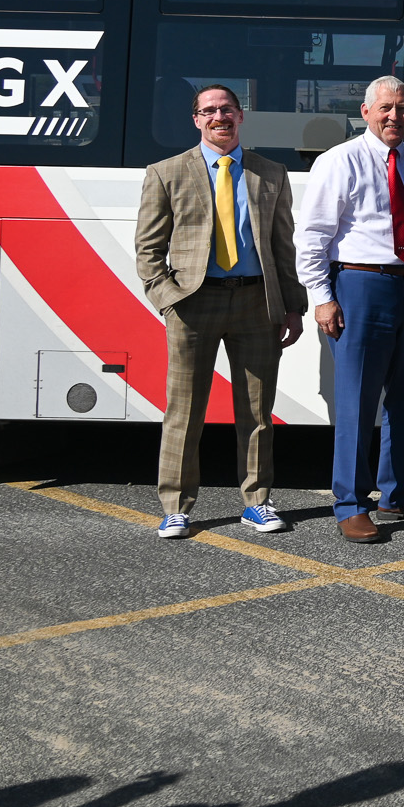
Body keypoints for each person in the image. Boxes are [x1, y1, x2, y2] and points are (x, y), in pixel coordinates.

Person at [135, 84, 306, 539]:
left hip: (256, 302)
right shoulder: (166, 172)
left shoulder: (271, 173)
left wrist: (293, 306)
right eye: (209, 111)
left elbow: (283, 247)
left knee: (257, 410)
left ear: (240, 115)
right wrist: (168, 300)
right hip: (194, 302)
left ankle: (257, 502)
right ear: (196, 120)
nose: (219, 117)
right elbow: (148, 250)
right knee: (184, 409)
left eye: (226, 109)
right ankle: (176, 507)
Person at [295, 76, 404, 544]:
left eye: (403, 109)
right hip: (360, 285)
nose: (394, 116)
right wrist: (322, 297)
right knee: (358, 402)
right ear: (365, 112)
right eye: (385, 108)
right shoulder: (339, 160)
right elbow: (313, 236)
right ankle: (350, 502)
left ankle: (397, 492)